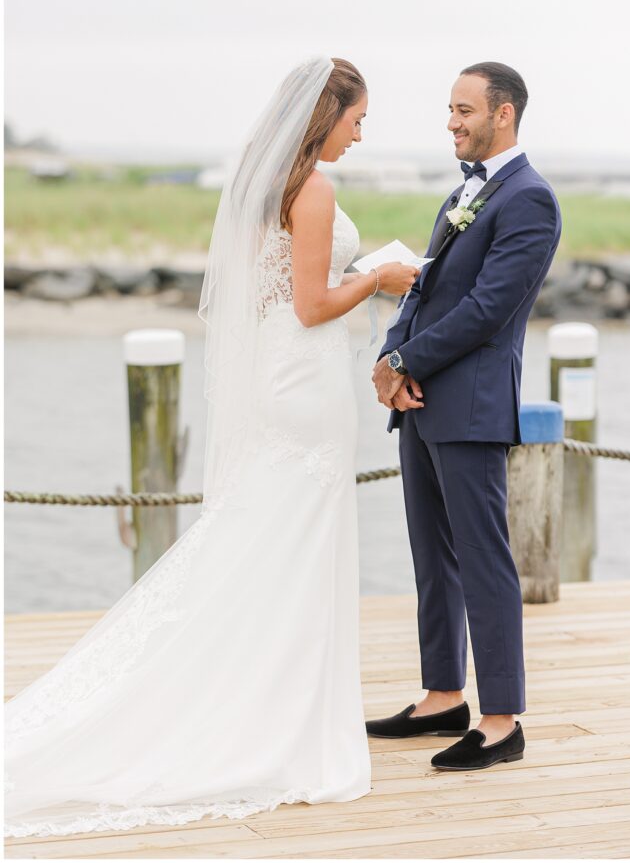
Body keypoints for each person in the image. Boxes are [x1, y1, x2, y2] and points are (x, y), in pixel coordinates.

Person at [4, 56, 419, 837]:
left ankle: (265, 700)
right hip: (306, 383)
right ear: (324, 116)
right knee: (296, 541)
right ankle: (282, 723)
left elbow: (274, 294)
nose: (360, 134)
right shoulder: (315, 188)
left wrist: (351, 276)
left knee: (268, 537)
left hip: (279, 378)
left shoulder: (264, 187)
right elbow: (309, 304)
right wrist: (381, 277)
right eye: (357, 119)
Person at [368, 62, 562, 771]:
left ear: (502, 114)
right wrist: (391, 357)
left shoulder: (529, 200)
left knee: (483, 561)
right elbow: (422, 289)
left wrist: (408, 363)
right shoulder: (462, 193)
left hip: (470, 402)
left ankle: (501, 719)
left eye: (463, 109)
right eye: (449, 110)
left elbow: (488, 311)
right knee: (432, 555)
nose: (451, 121)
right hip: (418, 397)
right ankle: (441, 693)